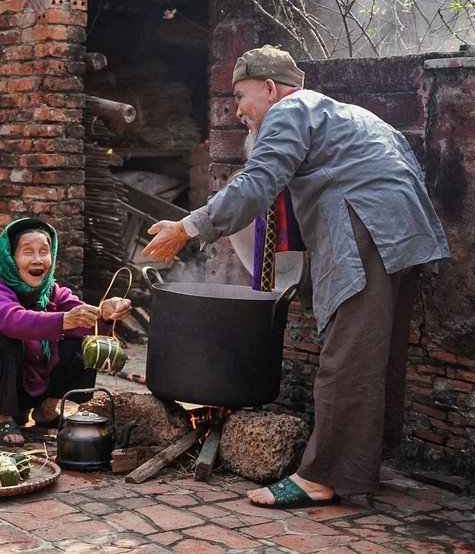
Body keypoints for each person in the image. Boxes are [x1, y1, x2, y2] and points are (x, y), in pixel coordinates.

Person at [142, 45, 450, 508]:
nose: (238, 112)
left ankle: (322, 476)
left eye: (241, 97)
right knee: (376, 354)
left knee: (345, 355)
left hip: (366, 230)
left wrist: (189, 227)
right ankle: (363, 461)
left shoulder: (289, 110)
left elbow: (257, 181)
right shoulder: (346, 114)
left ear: (270, 88)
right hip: (405, 236)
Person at [0, 218, 132, 447]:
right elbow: (11, 321)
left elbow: (85, 321)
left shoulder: (53, 292)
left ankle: (46, 410)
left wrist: (106, 314)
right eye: (27, 252)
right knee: (4, 339)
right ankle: (1, 416)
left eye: (43, 252)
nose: (37, 260)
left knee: (82, 344)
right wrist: (64, 320)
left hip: (29, 387)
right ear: (11, 258)